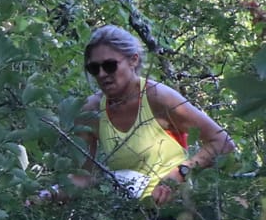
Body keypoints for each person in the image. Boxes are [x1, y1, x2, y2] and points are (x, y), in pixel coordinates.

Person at [40, 24, 236, 205]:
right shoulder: (91, 110)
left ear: (133, 60)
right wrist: (49, 194)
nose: (101, 74)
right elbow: (82, 177)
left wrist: (181, 172)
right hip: (127, 214)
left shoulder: (158, 97)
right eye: (94, 68)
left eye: (109, 65)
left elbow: (222, 142)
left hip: (176, 210)